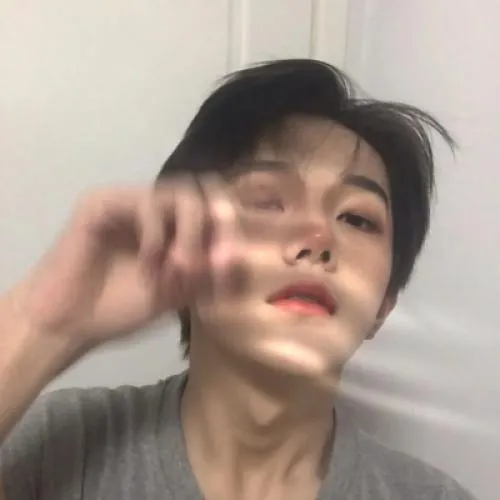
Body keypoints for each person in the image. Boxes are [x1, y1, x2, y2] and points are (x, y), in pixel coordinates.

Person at [0, 59, 476, 500]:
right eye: (266, 201)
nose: (317, 239)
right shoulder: (57, 449)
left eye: (357, 219)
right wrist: (44, 324)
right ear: (181, 238)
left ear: (384, 303)